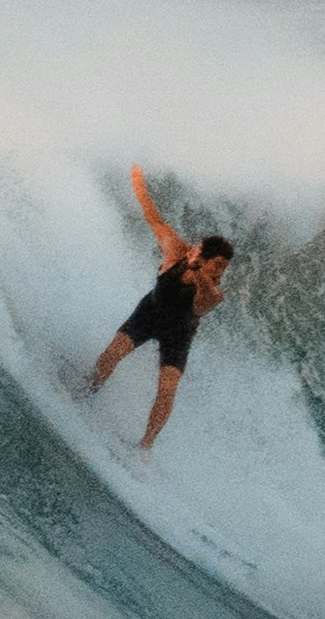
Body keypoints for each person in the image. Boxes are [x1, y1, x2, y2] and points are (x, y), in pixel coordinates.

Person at [87, 167, 235, 449]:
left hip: (178, 334)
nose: (221, 273)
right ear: (202, 256)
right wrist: (136, 178)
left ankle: (145, 446)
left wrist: (199, 271)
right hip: (150, 312)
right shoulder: (175, 251)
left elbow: (205, 297)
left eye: (224, 268)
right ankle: (86, 392)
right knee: (112, 353)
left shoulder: (213, 293)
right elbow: (151, 215)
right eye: (217, 265)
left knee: (166, 390)